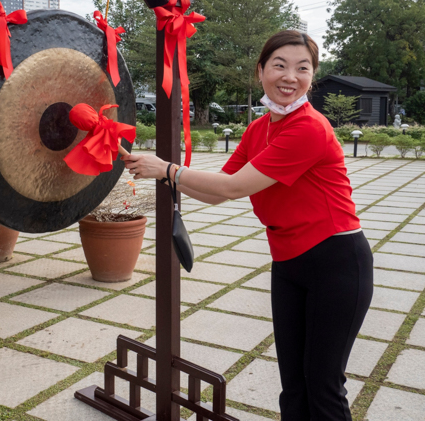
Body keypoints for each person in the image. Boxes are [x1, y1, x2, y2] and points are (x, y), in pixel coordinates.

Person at [122, 30, 373, 421]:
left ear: (312, 76)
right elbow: (216, 192)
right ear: (260, 71)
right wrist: (163, 175)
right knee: (293, 385)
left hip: (336, 262)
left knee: (323, 386)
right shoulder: (259, 130)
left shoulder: (310, 128)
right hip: (289, 263)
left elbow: (235, 187)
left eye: (302, 68)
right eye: (280, 65)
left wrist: (168, 168)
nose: (290, 76)